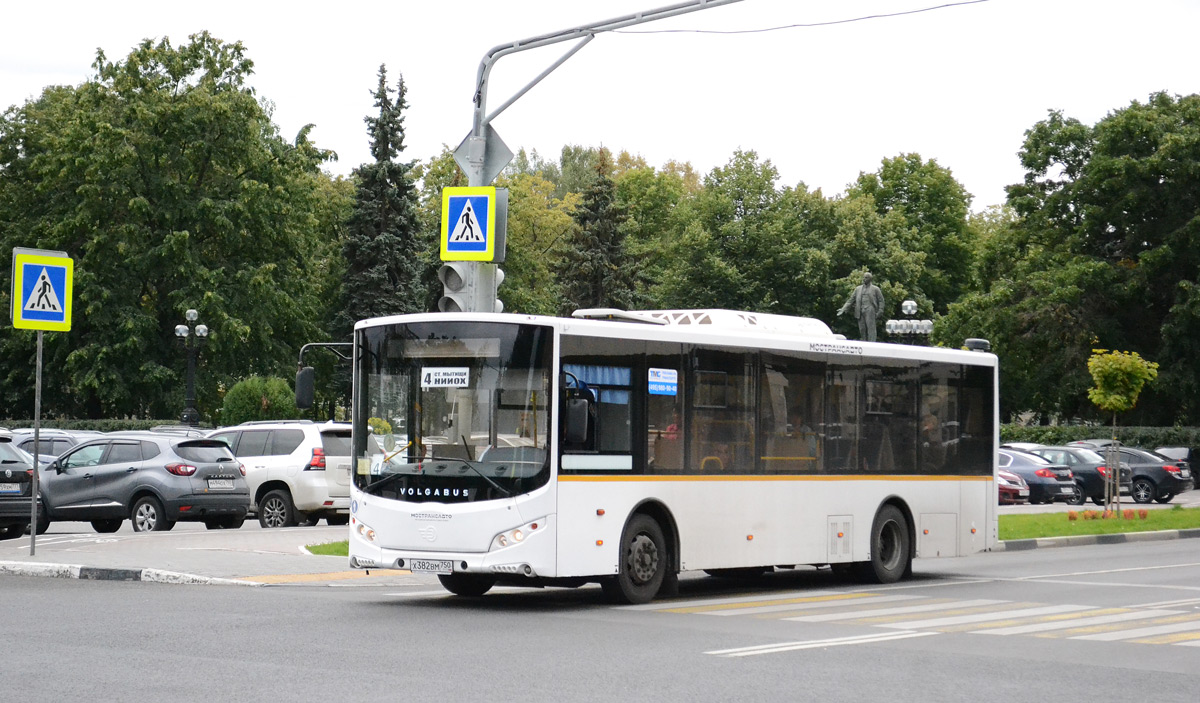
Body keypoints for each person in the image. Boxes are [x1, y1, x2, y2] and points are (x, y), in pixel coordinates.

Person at [837, 272, 885, 342]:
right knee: (862, 329)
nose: (864, 279)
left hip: (870, 310)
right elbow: (851, 300)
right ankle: (864, 343)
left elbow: (881, 300)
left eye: (866, 277)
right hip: (860, 311)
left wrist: (880, 311)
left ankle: (872, 344)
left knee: (871, 329)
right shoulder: (858, 289)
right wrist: (843, 309)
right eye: (864, 277)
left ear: (870, 279)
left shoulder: (875, 289)